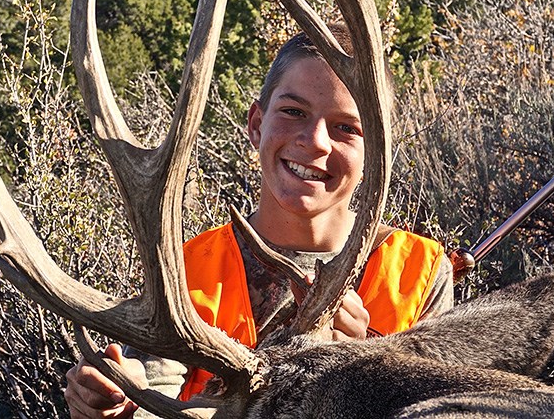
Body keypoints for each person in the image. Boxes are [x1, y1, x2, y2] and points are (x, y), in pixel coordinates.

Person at [64, 27, 454, 418]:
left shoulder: (417, 273)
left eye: (347, 128)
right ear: (255, 123)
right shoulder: (187, 268)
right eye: (294, 112)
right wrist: (122, 400)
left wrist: (361, 375)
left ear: (377, 150)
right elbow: (155, 391)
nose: (315, 141)